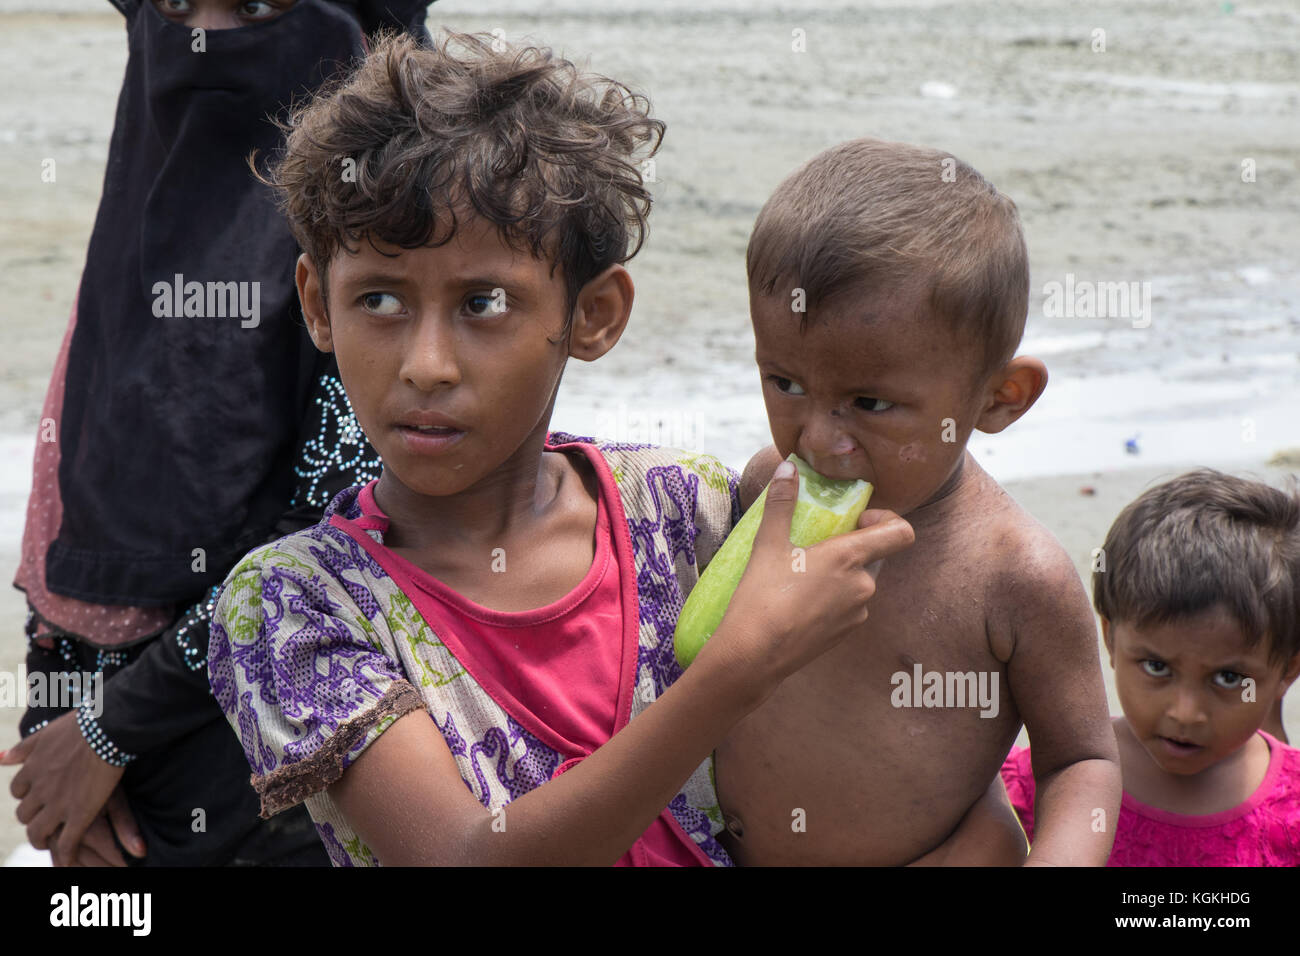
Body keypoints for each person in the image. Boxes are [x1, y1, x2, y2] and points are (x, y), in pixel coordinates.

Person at [205, 30, 925, 866]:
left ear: (593, 316)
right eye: (379, 299)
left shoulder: (687, 510)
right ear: (317, 305)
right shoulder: (295, 605)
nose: (426, 366)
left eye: (483, 304)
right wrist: (736, 670)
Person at [3, 0, 432, 867]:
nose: (201, 36)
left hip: (285, 760)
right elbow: (77, 495)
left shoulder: (391, 240)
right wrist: (56, 727)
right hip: (115, 773)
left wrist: (111, 730)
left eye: (257, 6)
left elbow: (331, 534)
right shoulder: (145, 218)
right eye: (171, 5)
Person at [710, 138, 1122, 866]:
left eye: (869, 403)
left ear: (1000, 398)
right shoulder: (763, 492)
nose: (818, 439)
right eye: (785, 382)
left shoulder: (1013, 576)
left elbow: (1082, 762)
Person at [1002, 469, 1300, 865]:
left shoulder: (1292, 810)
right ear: (1109, 637)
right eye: (1157, 667)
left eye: (1228, 678)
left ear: (1286, 673)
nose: (1184, 713)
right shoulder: (1043, 782)